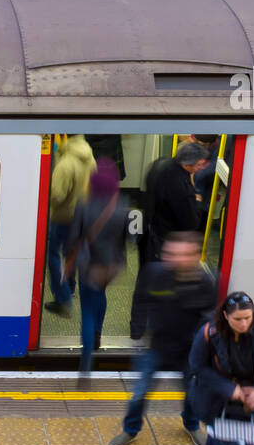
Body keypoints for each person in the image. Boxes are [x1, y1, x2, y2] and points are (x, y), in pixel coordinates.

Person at [108, 232, 215, 445]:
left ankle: (192, 425)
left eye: (181, 254)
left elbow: (209, 317)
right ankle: (130, 429)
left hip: (188, 351)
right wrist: (137, 328)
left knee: (192, 391)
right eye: (170, 253)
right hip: (157, 346)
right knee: (140, 391)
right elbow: (141, 298)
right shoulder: (154, 273)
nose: (173, 259)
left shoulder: (205, 282)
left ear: (194, 256)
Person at [131, 143, 210, 338]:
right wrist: (196, 201)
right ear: (187, 165)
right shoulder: (181, 185)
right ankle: (159, 329)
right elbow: (190, 221)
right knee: (164, 287)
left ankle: (137, 328)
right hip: (166, 243)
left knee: (143, 283)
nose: (202, 167)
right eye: (200, 164)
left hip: (148, 234)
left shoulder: (160, 164)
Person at [187, 291, 254, 445]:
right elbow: (197, 366)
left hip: (249, 399)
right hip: (217, 396)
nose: (243, 324)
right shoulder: (209, 332)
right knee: (218, 444)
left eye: (247, 318)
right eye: (237, 319)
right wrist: (229, 388)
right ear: (225, 315)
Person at [65, 159, 129, 377]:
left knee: (87, 310)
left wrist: (68, 261)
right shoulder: (121, 206)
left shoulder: (84, 204)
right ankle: (99, 333)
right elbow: (126, 239)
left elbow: (74, 237)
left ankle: (86, 361)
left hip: (88, 263)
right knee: (100, 295)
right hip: (110, 266)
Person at [45, 135, 94, 317]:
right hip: (83, 215)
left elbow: (56, 195)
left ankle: (63, 298)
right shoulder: (90, 157)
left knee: (53, 256)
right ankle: (71, 287)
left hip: (63, 217)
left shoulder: (66, 163)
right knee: (70, 253)